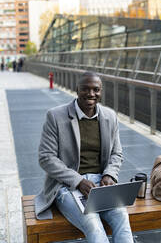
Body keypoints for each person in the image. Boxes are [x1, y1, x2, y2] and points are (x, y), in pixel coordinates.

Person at [35, 71, 134, 243]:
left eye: (96, 90)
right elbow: (46, 157)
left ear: (101, 91)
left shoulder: (110, 117)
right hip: (67, 185)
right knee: (92, 223)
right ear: (77, 89)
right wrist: (78, 181)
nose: (91, 94)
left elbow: (116, 153)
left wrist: (109, 175)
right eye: (85, 89)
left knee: (122, 217)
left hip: (100, 184)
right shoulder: (55, 116)